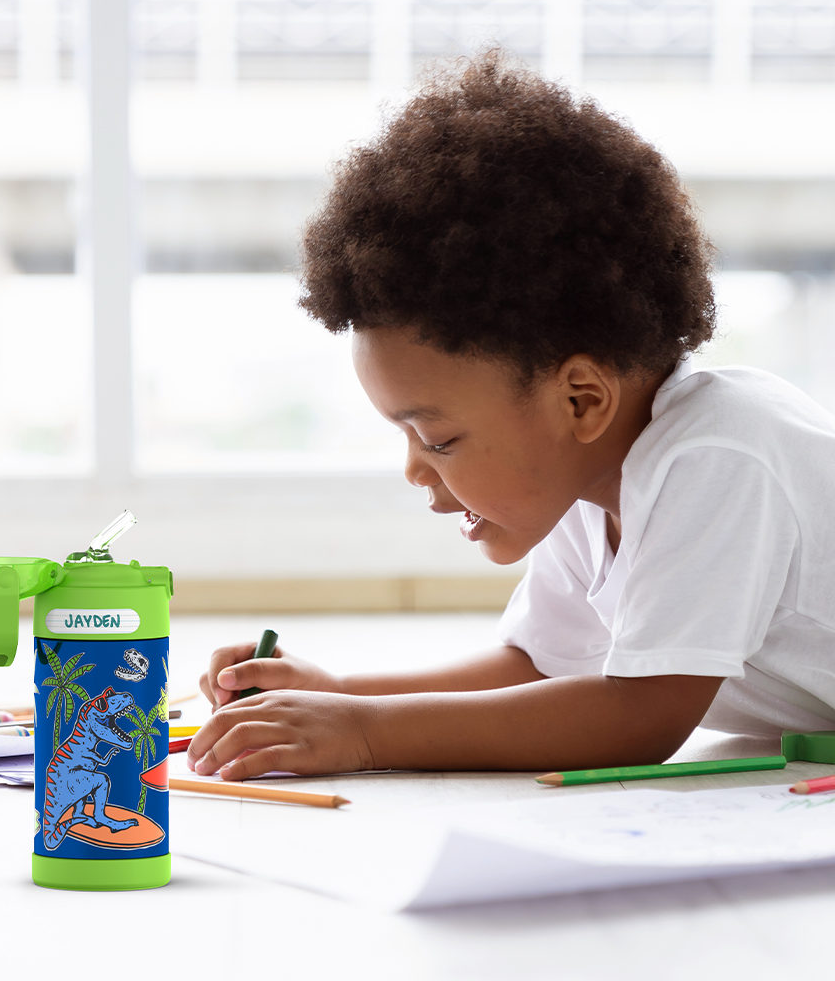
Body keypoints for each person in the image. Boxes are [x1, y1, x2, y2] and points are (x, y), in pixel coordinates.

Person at [187, 51, 835, 781]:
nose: (415, 470)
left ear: (580, 400)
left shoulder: (718, 456)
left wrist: (364, 733)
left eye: (438, 439)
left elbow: (639, 716)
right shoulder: (590, 482)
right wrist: (339, 695)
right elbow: (538, 668)